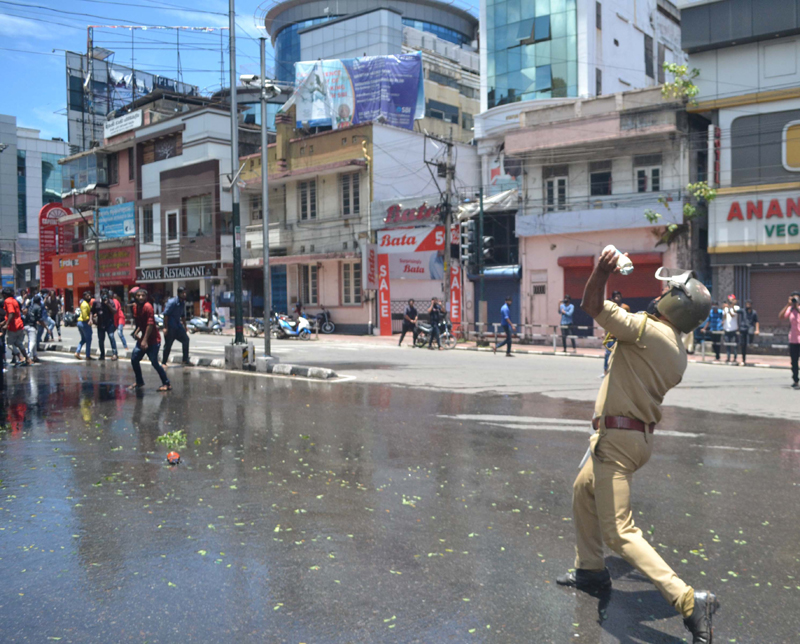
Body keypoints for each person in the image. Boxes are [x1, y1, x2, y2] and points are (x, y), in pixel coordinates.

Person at [556, 249, 717, 644]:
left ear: (674, 303)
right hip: (632, 436)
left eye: (667, 289)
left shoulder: (646, 332)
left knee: (621, 533)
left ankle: (689, 601)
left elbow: (592, 305)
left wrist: (602, 270)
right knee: (583, 489)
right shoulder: (676, 349)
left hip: (618, 439)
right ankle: (591, 570)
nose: (660, 291)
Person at [129, 288, 171, 392]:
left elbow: (150, 324)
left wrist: (145, 340)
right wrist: (136, 332)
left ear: (146, 297)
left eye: (143, 295)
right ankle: (139, 381)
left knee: (154, 363)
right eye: (138, 296)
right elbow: (140, 323)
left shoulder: (148, 307)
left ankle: (166, 383)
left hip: (153, 340)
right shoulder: (135, 307)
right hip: (143, 339)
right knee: (134, 359)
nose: (140, 297)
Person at [603, 291, 630, 375]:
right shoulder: (610, 307)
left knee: (622, 354)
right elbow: (606, 320)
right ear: (612, 298)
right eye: (616, 296)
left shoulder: (625, 307)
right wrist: (605, 332)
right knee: (608, 354)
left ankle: (620, 372)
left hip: (621, 334)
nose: (617, 298)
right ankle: (606, 371)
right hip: (611, 335)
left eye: (619, 296)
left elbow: (629, 319)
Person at [162, 286, 190, 366]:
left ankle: (185, 360)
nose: (184, 294)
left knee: (186, 340)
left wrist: (185, 326)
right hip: (170, 327)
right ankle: (164, 362)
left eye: (185, 293)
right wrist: (165, 327)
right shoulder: (172, 302)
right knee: (168, 345)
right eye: (182, 293)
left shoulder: (182, 303)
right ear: (179, 293)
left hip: (178, 327)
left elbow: (183, 316)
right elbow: (166, 315)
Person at [2, 287, 29, 366]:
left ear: (4, 295)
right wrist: (4, 322)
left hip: (13, 326)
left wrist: (6, 325)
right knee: (19, 343)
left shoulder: (7, 301)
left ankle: (20, 357)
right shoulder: (15, 301)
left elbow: (11, 313)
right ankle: (27, 358)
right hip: (20, 325)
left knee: (10, 344)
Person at [779, 292, 800, 389]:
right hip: (793, 340)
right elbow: (781, 316)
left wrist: (797, 307)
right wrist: (788, 305)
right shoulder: (790, 309)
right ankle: (795, 380)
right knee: (794, 362)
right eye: (793, 299)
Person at [92, 290, 118, 361]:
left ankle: (115, 354)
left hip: (109, 324)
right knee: (101, 340)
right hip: (100, 324)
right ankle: (102, 354)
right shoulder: (96, 302)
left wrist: (108, 304)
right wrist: (92, 319)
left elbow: (115, 311)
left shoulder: (111, 302)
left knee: (111, 337)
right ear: (100, 295)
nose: (104, 296)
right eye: (103, 294)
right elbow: (92, 311)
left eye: (106, 294)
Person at [23, 294, 45, 363]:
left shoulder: (30, 306)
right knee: (32, 342)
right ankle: (27, 356)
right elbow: (40, 319)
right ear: (39, 301)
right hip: (31, 326)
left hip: (25, 325)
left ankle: (35, 356)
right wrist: (46, 328)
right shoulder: (38, 307)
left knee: (32, 341)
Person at [738, 300, 759, 366]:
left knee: (751, 332)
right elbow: (736, 311)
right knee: (743, 345)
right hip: (743, 328)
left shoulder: (754, 312)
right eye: (747, 304)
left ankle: (750, 342)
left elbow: (757, 321)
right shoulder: (743, 311)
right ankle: (743, 360)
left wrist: (757, 330)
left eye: (749, 304)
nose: (748, 306)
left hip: (750, 327)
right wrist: (732, 304)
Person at [75, 291, 93, 360]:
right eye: (88, 296)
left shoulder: (86, 304)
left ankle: (77, 351)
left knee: (83, 339)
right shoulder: (85, 305)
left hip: (80, 323)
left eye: (90, 296)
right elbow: (85, 317)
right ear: (84, 297)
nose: (89, 297)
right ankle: (87, 355)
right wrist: (91, 319)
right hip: (84, 323)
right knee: (88, 339)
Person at [722, 295, 740, 364]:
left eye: (731, 300)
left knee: (734, 344)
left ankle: (735, 358)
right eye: (729, 300)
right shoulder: (726, 308)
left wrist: (729, 308)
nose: (730, 302)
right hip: (727, 328)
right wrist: (724, 308)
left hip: (734, 328)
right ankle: (728, 357)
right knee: (727, 344)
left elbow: (733, 315)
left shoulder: (736, 307)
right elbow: (724, 316)